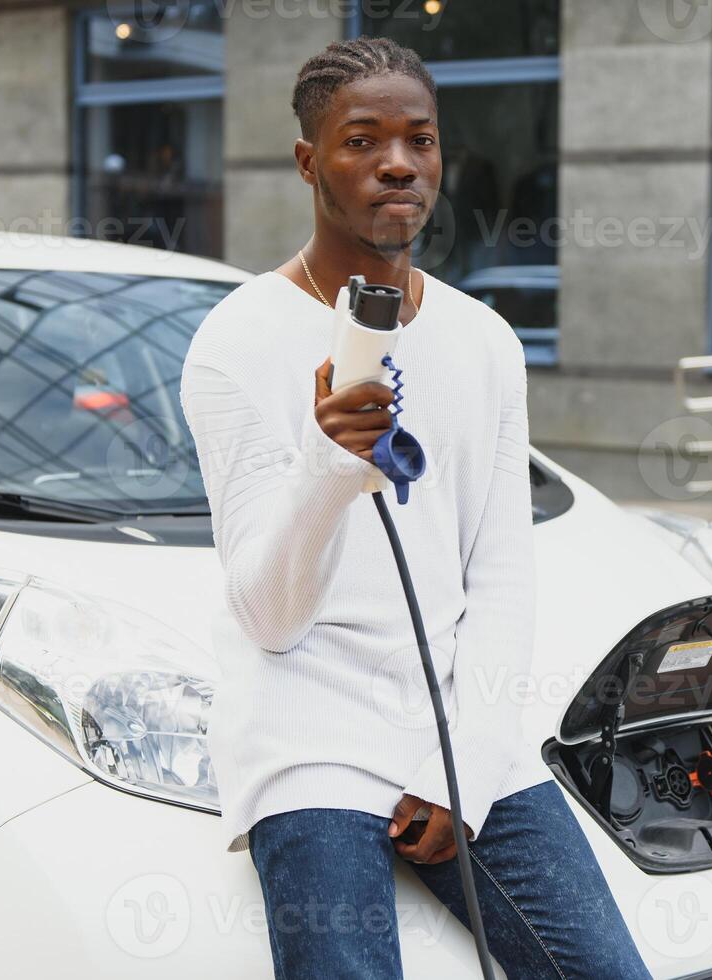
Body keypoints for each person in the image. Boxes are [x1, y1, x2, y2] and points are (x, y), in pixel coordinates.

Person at [179, 35, 654, 980]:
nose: (398, 162)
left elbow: (503, 573)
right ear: (310, 160)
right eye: (362, 140)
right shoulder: (235, 344)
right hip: (307, 735)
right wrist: (328, 461)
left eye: (420, 140)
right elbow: (269, 620)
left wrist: (463, 769)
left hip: (456, 722)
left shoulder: (484, 342)